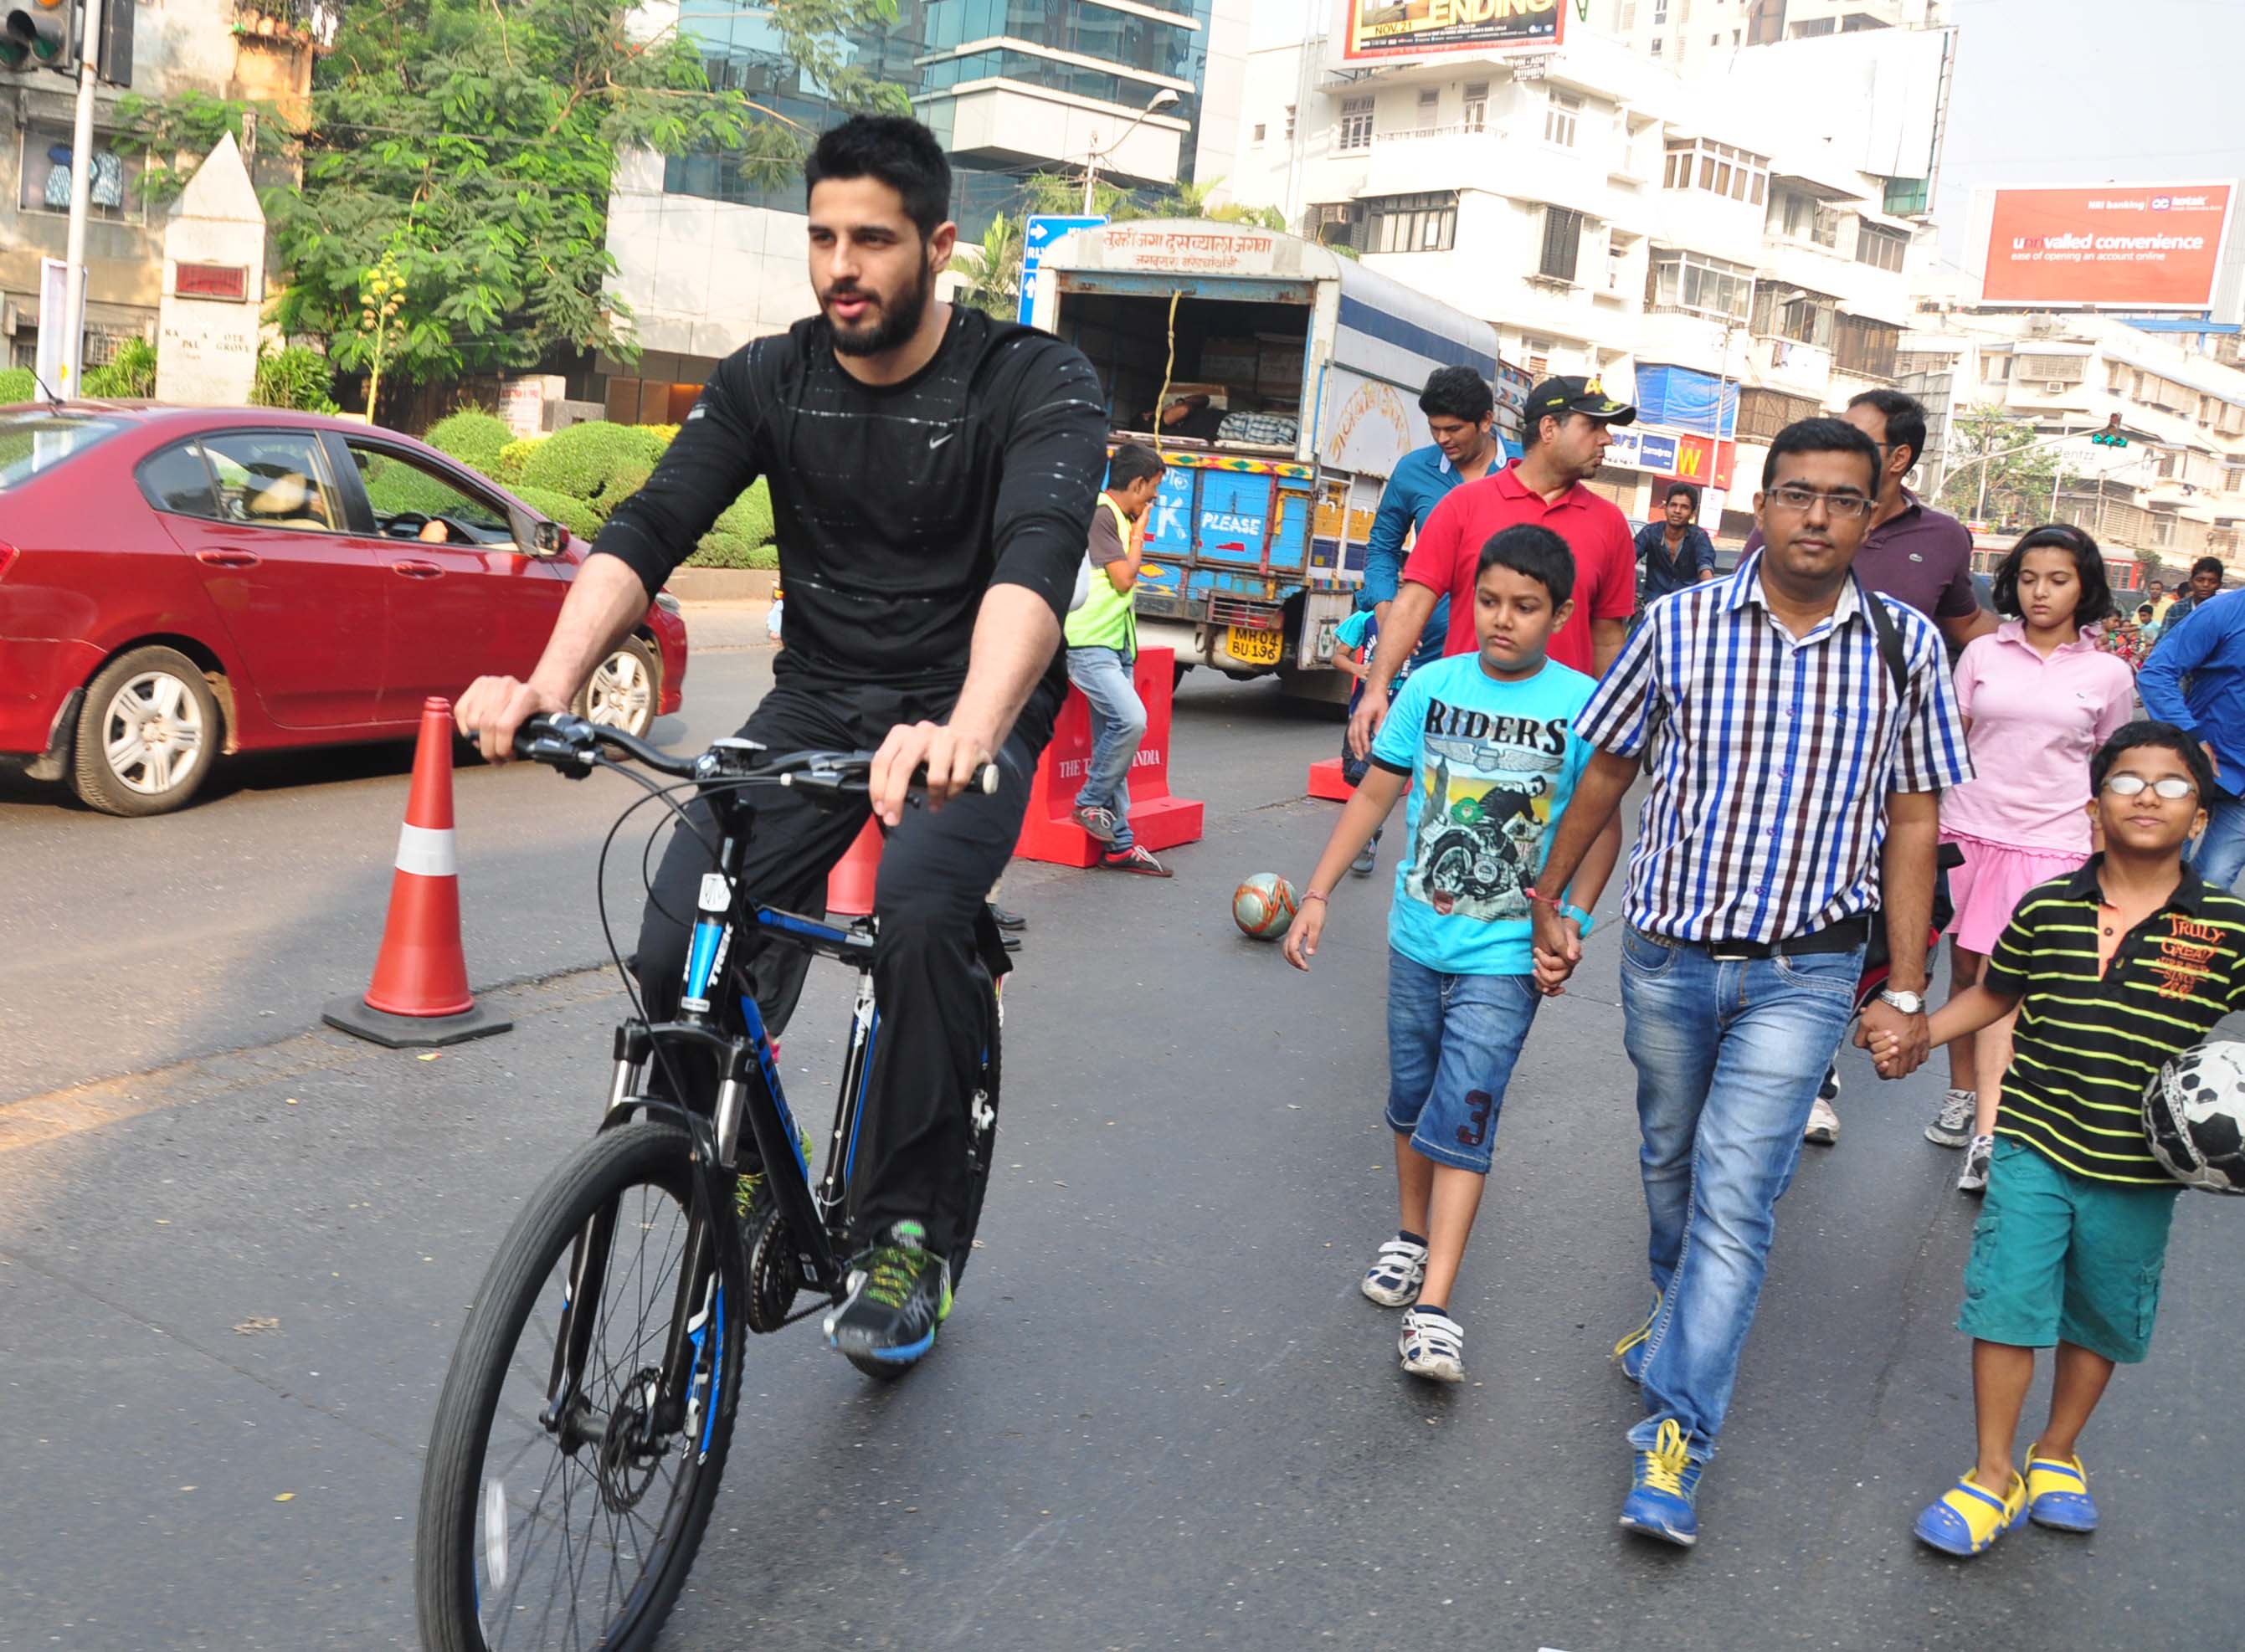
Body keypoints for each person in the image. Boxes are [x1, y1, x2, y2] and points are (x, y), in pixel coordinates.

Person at [451, 115, 1109, 1365]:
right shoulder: (771, 378)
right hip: (815, 700)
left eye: (871, 239)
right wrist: (548, 680)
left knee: (916, 912)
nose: (840, 267)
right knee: (673, 940)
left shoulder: (1030, 380)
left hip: (966, 703)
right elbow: (650, 528)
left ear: (937, 244)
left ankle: (905, 1225)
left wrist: (970, 726)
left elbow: (1036, 556)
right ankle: (740, 1166)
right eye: (822, 238)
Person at [1527, 417, 1970, 1548]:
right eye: (1793, 494)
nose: (1814, 515)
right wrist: (1553, 893)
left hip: (1807, 971)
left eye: (1839, 498)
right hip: (1669, 957)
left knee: (1736, 1196)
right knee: (1669, 1163)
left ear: (1871, 515)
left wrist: (1907, 986)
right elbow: (1609, 766)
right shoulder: (1677, 627)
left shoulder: (1905, 647)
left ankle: (1676, 1436)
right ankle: (1677, 1318)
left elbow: (1914, 819)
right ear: (1758, 508)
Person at [1870, 724, 2245, 1558]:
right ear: (2092, 811)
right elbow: (1994, 995)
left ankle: (2058, 1452)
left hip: (2142, 1172)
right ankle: (1993, 1474)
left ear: (2199, 823)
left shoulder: (2225, 926)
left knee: (2101, 1316)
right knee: (2008, 1302)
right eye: (2127, 780)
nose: (2148, 794)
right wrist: (1922, 1032)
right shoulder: (2049, 906)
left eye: (2174, 785)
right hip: (2034, 1141)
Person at [1281, 524, 1621, 1383]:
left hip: (1506, 954)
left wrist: (1570, 920)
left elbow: (1604, 831)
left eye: (1526, 608)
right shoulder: (1431, 685)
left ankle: (1434, 1308)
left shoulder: (1584, 704)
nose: (1504, 621)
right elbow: (1377, 795)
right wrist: (1316, 892)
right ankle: (1408, 1230)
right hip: (1417, 938)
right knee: (1409, 1098)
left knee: (1466, 1108)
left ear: (1561, 614)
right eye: (1491, 603)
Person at [1746, 387, 1995, 1146]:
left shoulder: (1943, 540)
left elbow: (1969, 629)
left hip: (1886, 771)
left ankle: (1812, 1058)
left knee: (1865, 927)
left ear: (1897, 460)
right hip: (1783, 768)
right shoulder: (1784, 534)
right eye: (1799, 495)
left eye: (1856, 440)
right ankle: (1806, 1066)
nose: (1817, 516)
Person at [1922, 526, 2135, 1195]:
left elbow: (2114, 771)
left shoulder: (2108, 672)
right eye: (2029, 578)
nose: (2041, 592)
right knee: (1961, 974)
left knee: (2002, 983)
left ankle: (1990, 1132)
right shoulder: (1982, 652)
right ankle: (1962, 1098)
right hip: (1966, 830)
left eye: (2059, 579)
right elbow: (1946, 740)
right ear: (2011, 582)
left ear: (2085, 587)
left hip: (2051, 844)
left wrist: (2111, 870)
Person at [1349, 375, 1639, 762]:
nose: (1607, 439)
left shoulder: (1610, 524)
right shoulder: (1463, 504)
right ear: (1549, 429)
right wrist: (1376, 690)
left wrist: (1613, 728)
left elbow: (1606, 638)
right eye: (1594, 426)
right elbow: (1413, 602)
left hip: (1561, 738)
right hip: (1464, 728)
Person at [1359, 366, 1509, 674]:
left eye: (1453, 429)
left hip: (1511, 655)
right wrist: (1385, 607)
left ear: (1485, 421)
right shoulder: (1413, 470)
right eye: (1434, 428)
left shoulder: (1524, 468)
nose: (1443, 438)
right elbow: (1382, 547)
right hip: (1429, 656)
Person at [1066, 440, 1173, 877]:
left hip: (1114, 645)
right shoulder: (1102, 515)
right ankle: (1089, 803)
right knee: (1131, 721)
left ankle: (1120, 845)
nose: (1152, 502)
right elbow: (1125, 580)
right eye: (1150, 494)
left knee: (1116, 750)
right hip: (1090, 646)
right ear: (1136, 483)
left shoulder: (1118, 517)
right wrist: (1142, 534)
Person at [2140, 583, 2245, 890]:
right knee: (2162, 877)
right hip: (2195, 767)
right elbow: (2156, 673)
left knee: (2213, 885)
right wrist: (2192, 736)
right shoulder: (2223, 611)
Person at [1632, 481, 1718, 609]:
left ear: (1693, 513)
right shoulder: (1650, 532)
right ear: (1666, 508)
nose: (1677, 511)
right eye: (1673, 505)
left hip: (1686, 608)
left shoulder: (1699, 537)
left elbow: (1705, 567)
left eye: (1684, 507)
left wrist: (1712, 598)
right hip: (1653, 605)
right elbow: (1628, 558)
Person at [2148, 555, 2224, 643]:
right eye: (2200, 580)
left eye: (2212, 582)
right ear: (2191, 582)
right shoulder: (2177, 609)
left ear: (2219, 585)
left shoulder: (2225, 612)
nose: (2205, 585)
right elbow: (2163, 641)